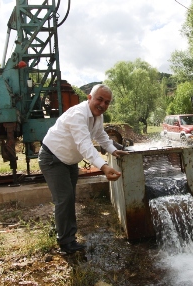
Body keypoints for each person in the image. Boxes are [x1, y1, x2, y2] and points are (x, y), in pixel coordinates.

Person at [38, 83, 128, 254]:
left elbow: (101, 136)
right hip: (53, 157)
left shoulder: (97, 116)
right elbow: (84, 145)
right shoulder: (78, 115)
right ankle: (66, 243)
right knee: (64, 199)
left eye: (107, 102)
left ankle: (61, 231)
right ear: (89, 98)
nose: (102, 105)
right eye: (99, 100)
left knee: (67, 198)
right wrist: (104, 166)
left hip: (69, 160)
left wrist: (113, 150)